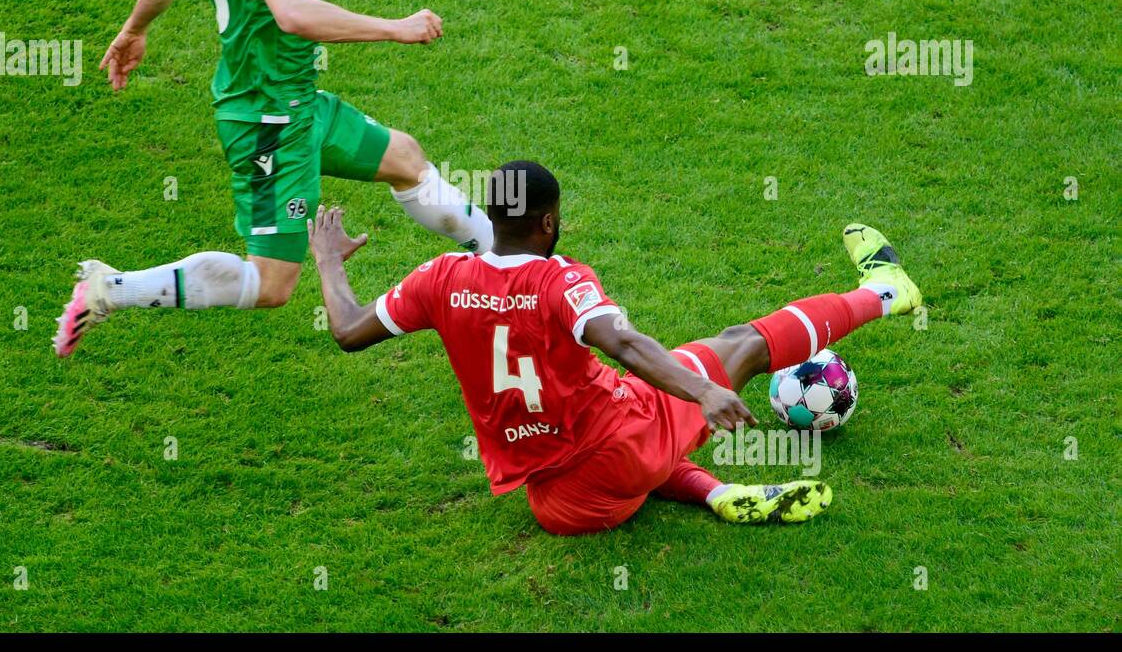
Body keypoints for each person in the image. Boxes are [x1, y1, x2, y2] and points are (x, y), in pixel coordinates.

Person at [54, 0, 492, 356]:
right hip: (267, 124)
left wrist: (134, 29)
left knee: (406, 159)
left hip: (296, 106)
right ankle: (110, 290)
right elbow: (293, 12)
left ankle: (508, 262)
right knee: (272, 283)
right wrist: (396, 27)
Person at [306, 160, 923, 535]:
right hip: (621, 448)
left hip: (558, 502)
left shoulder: (439, 278)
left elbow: (348, 330)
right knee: (738, 346)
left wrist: (329, 264)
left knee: (638, 429)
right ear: (548, 222)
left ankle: (716, 493)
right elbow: (623, 342)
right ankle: (888, 292)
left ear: (492, 218)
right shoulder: (559, 279)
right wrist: (704, 388)